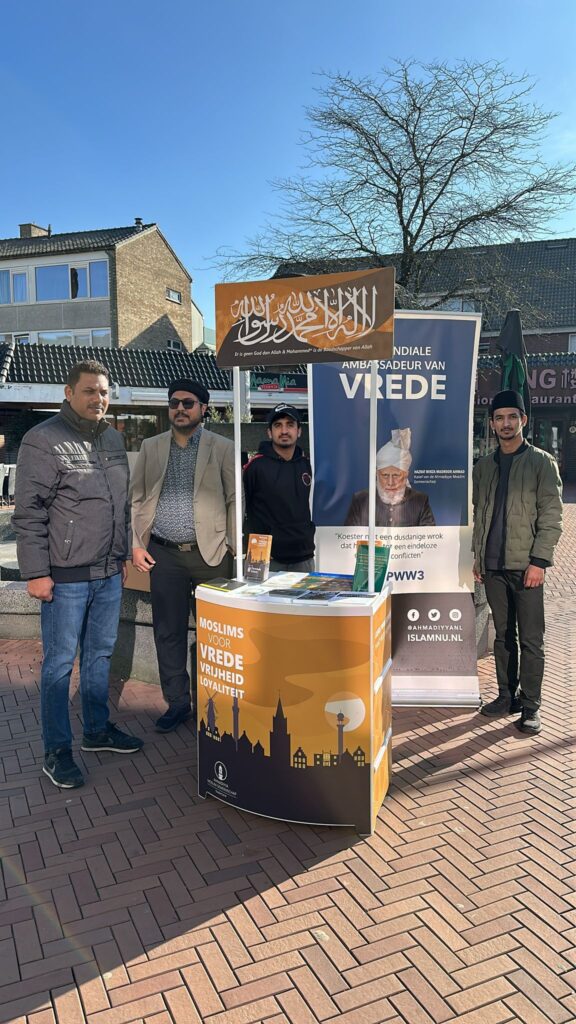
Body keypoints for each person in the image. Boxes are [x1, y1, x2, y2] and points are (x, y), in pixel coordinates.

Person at [12, 360, 143, 789]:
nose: (98, 399)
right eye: (89, 391)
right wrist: (36, 573)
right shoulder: (42, 439)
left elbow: (121, 505)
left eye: (104, 392)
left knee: (100, 655)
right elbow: (28, 513)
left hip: (108, 572)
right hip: (65, 577)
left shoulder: (113, 438)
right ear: (68, 393)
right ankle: (56, 751)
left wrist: (123, 553)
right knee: (58, 664)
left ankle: (97, 731)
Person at [130, 379, 236, 733]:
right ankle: (177, 703)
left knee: (216, 634)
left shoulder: (223, 447)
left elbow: (234, 498)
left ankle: (216, 704)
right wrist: (137, 544)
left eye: (188, 403)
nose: (179, 408)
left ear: (203, 408)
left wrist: (232, 547)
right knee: (168, 632)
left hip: (211, 555)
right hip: (164, 555)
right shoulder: (151, 446)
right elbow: (137, 497)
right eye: (174, 402)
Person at [473, 389, 563, 734]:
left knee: (531, 639)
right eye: (499, 418)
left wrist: (539, 562)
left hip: (527, 568)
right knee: (502, 636)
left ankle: (531, 705)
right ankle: (506, 696)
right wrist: (478, 557)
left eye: (512, 417)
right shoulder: (484, 466)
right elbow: (481, 515)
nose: (506, 423)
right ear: (492, 424)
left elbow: (551, 517)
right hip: (493, 567)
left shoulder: (541, 462)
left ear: (523, 420)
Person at [243, 403, 315, 572]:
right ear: (269, 432)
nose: (284, 431)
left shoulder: (307, 464)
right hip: (264, 557)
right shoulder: (255, 467)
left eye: (290, 425)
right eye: (278, 425)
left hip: (303, 556)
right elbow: (242, 508)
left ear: (299, 431)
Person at [345, 427, 435, 528]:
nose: (390, 482)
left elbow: (429, 536)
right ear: (377, 474)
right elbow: (351, 535)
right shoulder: (360, 500)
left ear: (406, 475)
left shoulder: (420, 501)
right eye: (385, 475)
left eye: (396, 475)